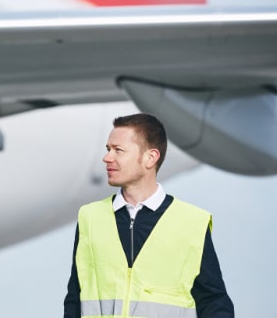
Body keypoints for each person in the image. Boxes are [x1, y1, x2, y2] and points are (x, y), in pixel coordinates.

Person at [63, 113, 234, 318]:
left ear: (150, 158)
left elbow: (214, 302)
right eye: (108, 149)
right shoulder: (90, 217)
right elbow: (75, 297)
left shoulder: (191, 223)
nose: (107, 157)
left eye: (119, 150)